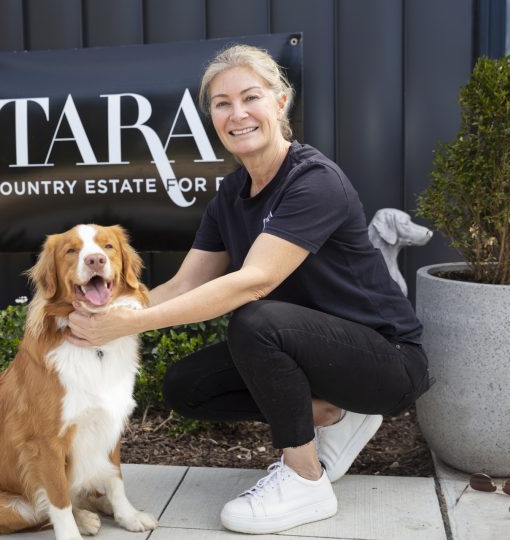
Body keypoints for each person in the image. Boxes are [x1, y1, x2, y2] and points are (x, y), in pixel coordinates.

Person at [68, 44, 432, 535]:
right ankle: (329, 412)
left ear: (280, 103)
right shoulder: (230, 194)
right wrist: (101, 315)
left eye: (250, 97)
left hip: (386, 359)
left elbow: (254, 280)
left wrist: (130, 322)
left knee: (255, 318)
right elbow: (185, 283)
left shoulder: (314, 180)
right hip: (312, 353)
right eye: (221, 103)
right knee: (186, 387)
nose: (236, 113)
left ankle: (305, 480)